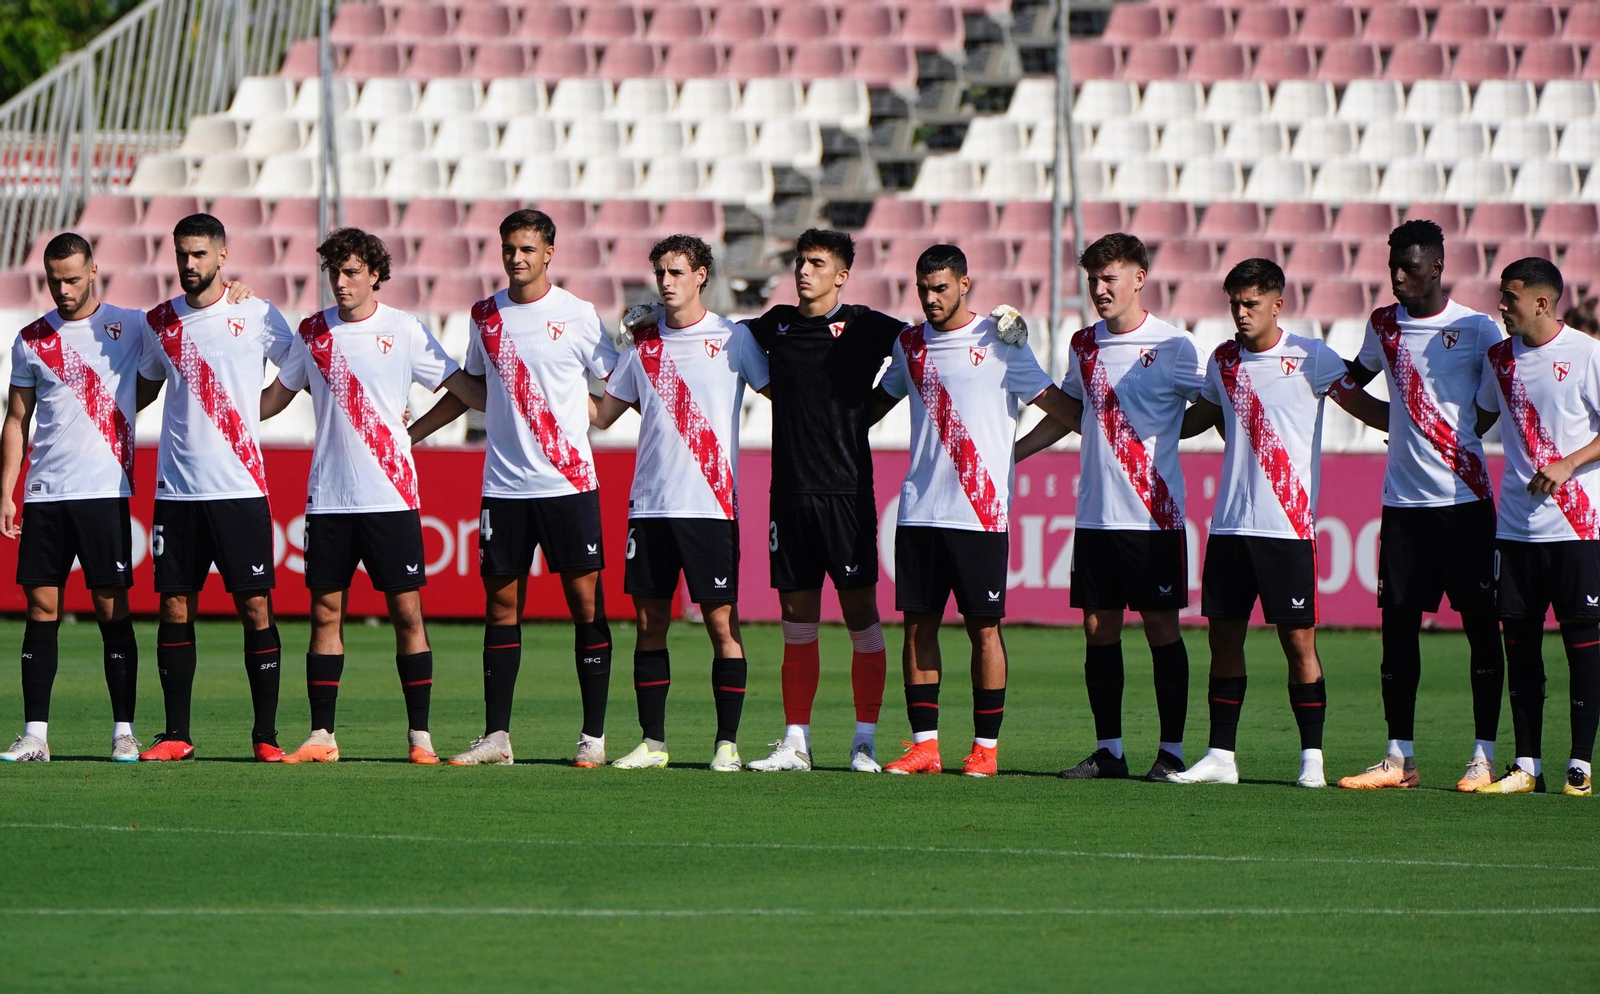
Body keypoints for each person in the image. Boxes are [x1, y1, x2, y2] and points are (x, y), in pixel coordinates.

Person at [263, 228, 484, 764]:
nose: (341, 282)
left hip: (390, 496)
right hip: (329, 500)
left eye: (353, 272)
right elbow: (271, 401)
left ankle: (420, 739)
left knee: (408, 614)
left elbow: (466, 393)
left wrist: (414, 433)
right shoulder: (312, 332)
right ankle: (321, 737)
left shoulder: (405, 330)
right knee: (324, 615)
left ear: (376, 274)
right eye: (334, 273)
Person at [408, 209, 619, 768]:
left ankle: (593, 737)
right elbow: (472, 390)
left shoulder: (578, 315)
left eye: (527, 249)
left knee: (585, 606)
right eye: (509, 249)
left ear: (549, 252)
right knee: (501, 607)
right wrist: (414, 434)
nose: (517, 258)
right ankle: (496, 737)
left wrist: (596, 416)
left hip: (569, 483)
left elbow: (618, 382)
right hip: (504, 488)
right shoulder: (485, 316)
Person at [1167, 259, 1380, 787]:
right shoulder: (1222, 361)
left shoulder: (1312, 357)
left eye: (1251, 304)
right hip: (1230, 527)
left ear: (1277, 304)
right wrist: (1143, 416)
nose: (1240, 314)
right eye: (1234, 304)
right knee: (1223, 640)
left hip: (1287, 529)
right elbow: (1206, 417)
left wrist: (1424, 429)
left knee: (1299, 643)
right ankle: (1221, 756)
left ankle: (1312, 758)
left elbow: (1368, 408)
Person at [870, 244, 1077, 777]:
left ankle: (985, 749)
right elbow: (873, 406)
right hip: (918, 511)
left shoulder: (1001, 341)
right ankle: (925, 747)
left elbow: (1061, 410)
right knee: (918, 627)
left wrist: (1014, 453)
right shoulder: (910, 343)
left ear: (965, 285)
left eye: (941, 288)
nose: (931, 299)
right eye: (924, 289)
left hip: (980, 512)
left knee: (983, 629)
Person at [1015, 233, 1202, 782]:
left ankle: (1171, 753)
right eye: (1093, 280)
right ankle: (1110, 751)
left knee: (1161, 628)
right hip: (1095, 515)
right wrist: (1015, 453)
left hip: (1153, 515)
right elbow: (1073, 412)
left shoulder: (1174, 346)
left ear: (1139, 278)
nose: (1099, 289)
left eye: (1109, 278)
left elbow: (1209, 405)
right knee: (1098, 627)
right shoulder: (1083, 344)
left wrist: (1169, 432)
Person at [1335, 220, 1508, 793]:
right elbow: (1349, 383)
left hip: (1464, 502)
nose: (1399, 278)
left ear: (1436, 266)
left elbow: (1492, 403)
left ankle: (1482, 755)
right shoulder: (1383, 325)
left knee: (1482, 629)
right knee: (1398, 629)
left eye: (1409, 268)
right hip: (1402, 505)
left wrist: (1453, 440)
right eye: (1393, 268)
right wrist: (1394, 423)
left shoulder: (1477, 329)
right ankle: (1398, 758)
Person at [593, 234, 770, 771]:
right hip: (649, 506)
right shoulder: (642, 346)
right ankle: (653, 742)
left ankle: (727, 744)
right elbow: (601, 416)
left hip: (710, 506)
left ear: (701, 277)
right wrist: (557, 367)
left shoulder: (734, 339)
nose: (666, 282)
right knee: (650, 624)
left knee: (721, 623)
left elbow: (781, 390)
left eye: (676, 272)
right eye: (660, 273)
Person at [736, 230, 910, 773]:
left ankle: (864, 741)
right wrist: (653, 320)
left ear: (841, 275)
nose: (803, 271)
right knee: (796, 617)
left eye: (817, 263)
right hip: (788, 494)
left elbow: (930, 343)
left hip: (847, 492)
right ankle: (796, 742)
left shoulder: (869, 326)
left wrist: (875, 405)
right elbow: (722, 336)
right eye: (799, 261)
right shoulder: (776, 325)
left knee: (861, 614)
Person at [135, 213, 293, 763]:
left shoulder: (254, 313)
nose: (189, 264)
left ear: (222, 256)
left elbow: (296, 369)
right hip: (177, 493)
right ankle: (177, 734)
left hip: (240, 489)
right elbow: (146, 387)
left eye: (200, 254)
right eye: (182, 254)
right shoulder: (159, 321)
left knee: (255, 607)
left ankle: (266, 736)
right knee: (175, 606)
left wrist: (255, 413)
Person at [0, 234, 144, 762]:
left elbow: (173, 353)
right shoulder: (31, 339)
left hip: (103, 491)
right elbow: (16, 421)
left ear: (93, 271)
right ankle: (35, 735)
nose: (63, 289)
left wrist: (236, 290)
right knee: (41, 609)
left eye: (72, 278)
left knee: (111, 607)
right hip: (44, 495)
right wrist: (7, 493)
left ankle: (123, 731)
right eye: (54, 279)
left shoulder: (128, 326)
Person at [1472, 258, 1599, 797]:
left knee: (1582, 648)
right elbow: (1476, 420)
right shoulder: (1498, 359)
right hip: (1516, 529)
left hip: (1577, 529)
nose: (1501, 304)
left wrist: (1568, 463)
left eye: (1511, 296)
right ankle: (1527, 764)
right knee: (1520, 650)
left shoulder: (1587, 354)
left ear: (1543, 303)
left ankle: (1580, 765)